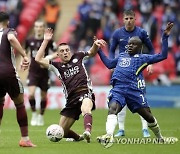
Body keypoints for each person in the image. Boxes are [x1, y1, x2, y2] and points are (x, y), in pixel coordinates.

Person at [97, 22, 174, 148]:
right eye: (129, 44)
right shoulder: (121, 56)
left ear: (140, 47)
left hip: (134, 91)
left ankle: (160, 137)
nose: (130, 46)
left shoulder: (143, 58)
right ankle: (108, 135)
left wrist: (165, 37)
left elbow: (163, 55)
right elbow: (109, 64)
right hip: (118, 89)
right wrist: (99, 51)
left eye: (133, 44)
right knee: (112, 109)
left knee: (148, 116)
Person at [35, 28, 106, 143]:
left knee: (86, 108)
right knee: (61, 131)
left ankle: (87, 131)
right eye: (62, 51)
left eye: (67, 50)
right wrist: (46, 41)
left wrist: (95, 45)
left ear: (70, 51)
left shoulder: (78, 56)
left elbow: (92, 52)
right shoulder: (56, 66)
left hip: (84, 91)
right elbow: (38, 59)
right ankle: (79, 138)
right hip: (71, 99)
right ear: (58, 54)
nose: (65, 52)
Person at [109, 9, 155, 138]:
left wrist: (150, 63)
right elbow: (112, 50)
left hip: (137, 69)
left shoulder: (141, 32)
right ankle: (121, 129)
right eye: (126, 18)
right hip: (122, 70)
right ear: (123, 20)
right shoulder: (117, 33)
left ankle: (145, 129)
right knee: (120, 98)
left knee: (141, 99)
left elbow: (151, 49)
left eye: (131, 18)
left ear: (135, 19)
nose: (128, 21)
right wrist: (112, 65)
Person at [0, 12, 36, 147]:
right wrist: (24, 55)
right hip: (7, 72)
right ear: (7, 21)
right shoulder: (9, 31)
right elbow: (12, 39)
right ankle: (25, 139)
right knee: (19, 103)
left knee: (0, 102)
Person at [25, 20, 57, 126]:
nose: (38, 28)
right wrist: (23, 60)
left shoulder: (49, 40)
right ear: (34, 28)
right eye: (36, 26)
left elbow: (58, 52)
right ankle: (34, 113)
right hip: (33, 72)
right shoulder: (29, 40)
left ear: (43, 28)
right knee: (31, 94)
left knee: (43, 96)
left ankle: (41, 116)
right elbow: (26, 52)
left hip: (44, 72)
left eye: (40, 26)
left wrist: (50, 56)